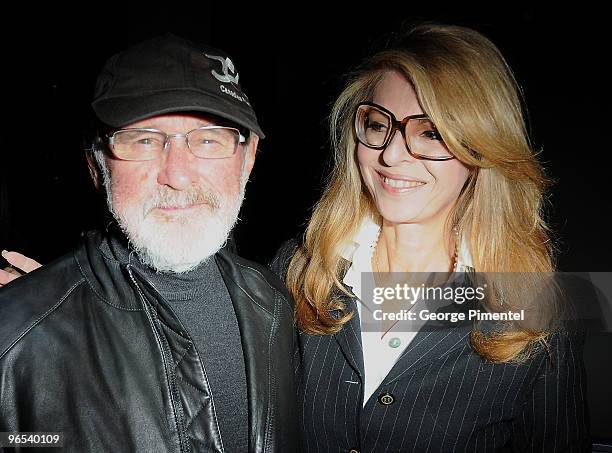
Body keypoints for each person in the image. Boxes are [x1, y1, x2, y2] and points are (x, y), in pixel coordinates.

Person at [271, 24, 590, 451]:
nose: (391, 154)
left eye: (431, 132)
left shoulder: (540, 312)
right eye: (378, 124)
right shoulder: (300, 267)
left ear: (481, 150)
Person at [0, 34, 298, 452]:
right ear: (96, 163)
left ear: (248, 159)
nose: (177, 175)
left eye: (209, 139)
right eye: (143, 140)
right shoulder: (13, 338)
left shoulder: (274, 302)